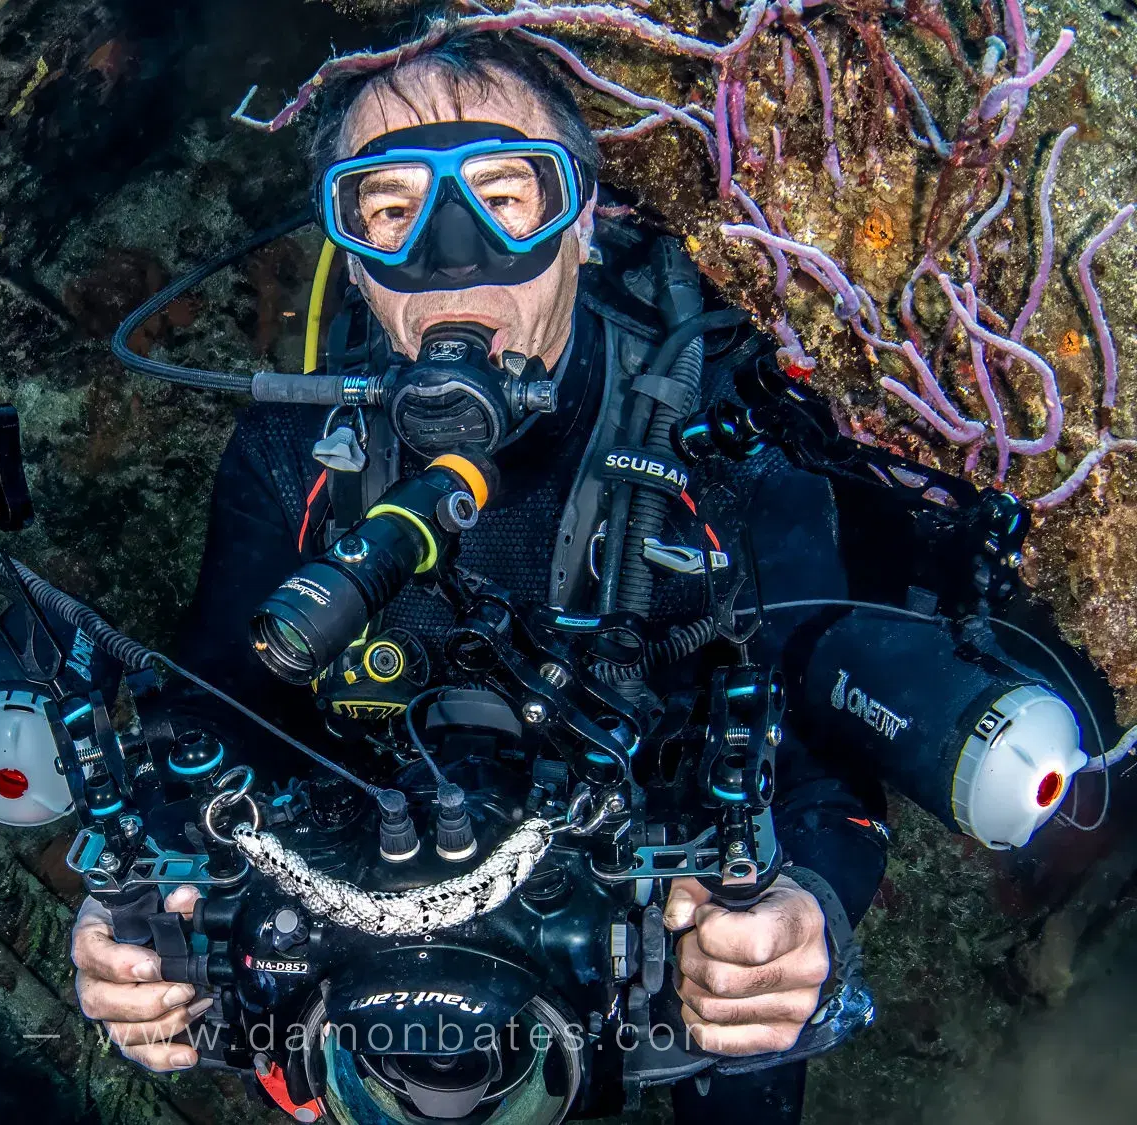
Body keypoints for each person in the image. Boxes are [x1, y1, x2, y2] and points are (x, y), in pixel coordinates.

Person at [70, 26, 889, 1125]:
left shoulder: (726, 433)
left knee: (742, 1052)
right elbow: (213, 703)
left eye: (506, 196)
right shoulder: (289, 448)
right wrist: (138, 909)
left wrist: (807, 914)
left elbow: (828, 732)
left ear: (583, 220)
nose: (450, 255)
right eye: (390, 210)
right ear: (351, 257)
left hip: (657, 932)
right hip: (378, 948)